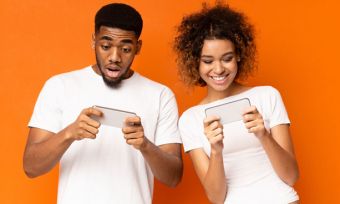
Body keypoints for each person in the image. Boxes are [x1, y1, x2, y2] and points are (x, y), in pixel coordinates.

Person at [23, 3, 183, 204]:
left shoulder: (160, 95)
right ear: (93, 41)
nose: (114, 57)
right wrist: (69, 133)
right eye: (106, 47)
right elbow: (31, 167)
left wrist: (145, 145)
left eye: (125, 49)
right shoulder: (59, 86)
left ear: (138, 47)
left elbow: (174, 178)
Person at [174, 3, 299, 204]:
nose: (218, 69)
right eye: (207, 61)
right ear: (195, 63)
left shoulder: (267, 96)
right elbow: (216, 197)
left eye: (227, 58)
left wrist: (263, 135)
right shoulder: (190, 119)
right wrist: (216, 150)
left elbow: (291, 176)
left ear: (238, 55)